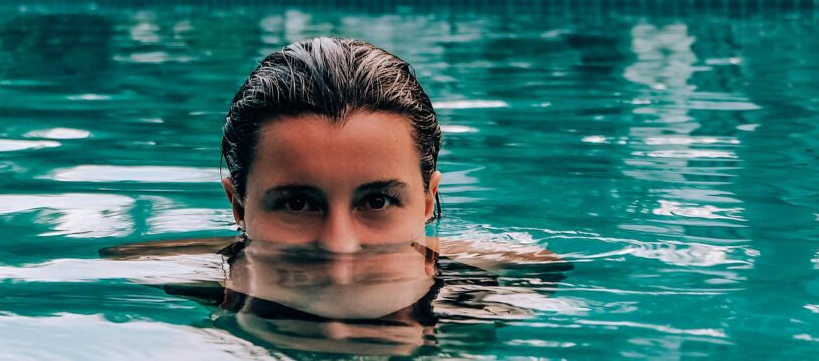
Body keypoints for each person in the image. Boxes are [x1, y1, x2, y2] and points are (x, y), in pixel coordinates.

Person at [102, 37, 569, 353]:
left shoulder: (481, 290)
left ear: (428, 200)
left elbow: (535, 262)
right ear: (238, 205)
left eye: (378, 201)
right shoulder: (178, 279)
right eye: (298, 203)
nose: (339, 244)